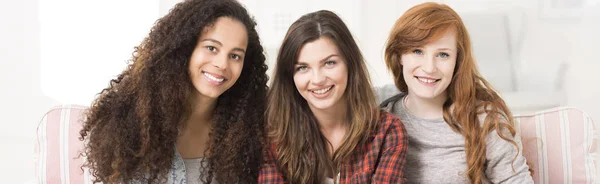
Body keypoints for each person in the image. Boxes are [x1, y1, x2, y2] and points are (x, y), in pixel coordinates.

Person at [79, 0, 269, 183]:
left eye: (235, 56)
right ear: (184, 49)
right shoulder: (127, 121)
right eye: (211, 48)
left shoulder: (251, 130)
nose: (222, 64)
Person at [380, 2, 533, 183]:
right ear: (399, 56)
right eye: (417, 51)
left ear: (457, 61)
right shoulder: (381, 112)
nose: (429, 68)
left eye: (443, 54)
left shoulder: (484, 118)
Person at [259, 10, 407, 184]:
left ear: (350, 64)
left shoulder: (387, 132)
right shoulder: (270, 134)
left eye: (329, 63)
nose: (317, 80)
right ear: (290, 76)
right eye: (302, 68)